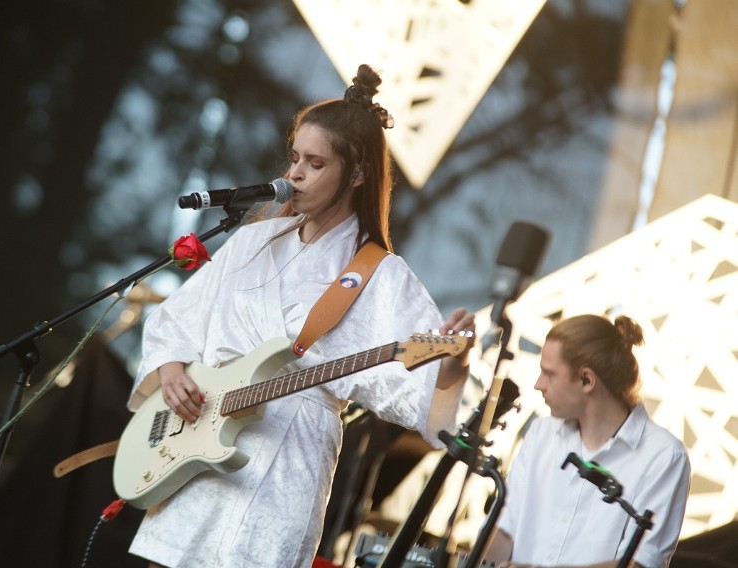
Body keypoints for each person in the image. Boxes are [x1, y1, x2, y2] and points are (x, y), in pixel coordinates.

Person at [126, 64, 477, 568]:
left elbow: (416, 389)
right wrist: (173, 368)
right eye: (294, 158)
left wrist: (451, 366)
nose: (294, 174)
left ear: (356, 174)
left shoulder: (380, 274)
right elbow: (178, 321)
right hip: (192, 449)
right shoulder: (250, 240)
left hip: (282, 466)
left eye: (315, 163)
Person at [485, 314, 691, 568]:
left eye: (549, 374)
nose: (538, 385)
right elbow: (506, 529)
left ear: (587, 380)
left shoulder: (664, 456)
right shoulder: (541, 433)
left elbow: (640, 563)